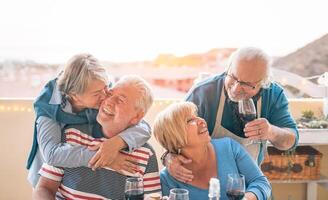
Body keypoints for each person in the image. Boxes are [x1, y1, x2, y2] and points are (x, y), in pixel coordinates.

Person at [165, 47, 299, 183]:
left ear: (263, 83)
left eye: (247, 84)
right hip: (203, 183)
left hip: (247, 184)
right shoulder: (203, 93)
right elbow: (172, 131)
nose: (235, 88)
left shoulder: (273, 95)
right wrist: (168, 157)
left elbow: (291, 141)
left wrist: (271, 132)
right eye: (233, 77)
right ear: (228, 68)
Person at [27, 54, 151, 187]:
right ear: (75, 94)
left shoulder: (96, 86)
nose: (106, 96)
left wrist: (115, 144)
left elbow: (143, 127)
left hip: (86, 176)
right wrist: (105, 157)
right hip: (49, 177)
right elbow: (52, 154)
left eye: (106, 89)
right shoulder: (47, 106)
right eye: (98, 93)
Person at [33, 75, 161, 199]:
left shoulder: (146, 155)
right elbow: (44, 189)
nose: (109, 101)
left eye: (120, 100)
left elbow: (153, 197)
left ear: (137, 117)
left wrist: (115, 144)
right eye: (110, 94)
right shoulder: (72, 135)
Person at [153, 102, 271, 200]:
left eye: (197, 116)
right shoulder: (167, 179)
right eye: (190, 120)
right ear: (176, 139)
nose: (201, 121)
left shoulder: (228, 148)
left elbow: (261, 182)